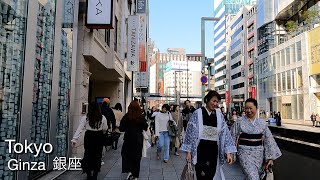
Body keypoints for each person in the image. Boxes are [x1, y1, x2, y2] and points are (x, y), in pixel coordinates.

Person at [181, 90, 237, 180]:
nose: (215, 104)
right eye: (213, 101)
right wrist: (188, 152)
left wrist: (228, 152)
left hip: (213, 150)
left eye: (217, 102)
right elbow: (190, 132)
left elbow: (225, 133)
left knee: (211, 173)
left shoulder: (219, 115)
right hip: (200, 149)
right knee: (201, 174)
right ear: (207, 100)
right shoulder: (197, 113)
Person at [231, 98, 282, 180]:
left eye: (250, 108)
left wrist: (270, 158)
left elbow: (268, 140)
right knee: (252, 176)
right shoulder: (239, 121)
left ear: (256, 108)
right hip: (244, 153)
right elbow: (232, 136)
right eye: (246, 108)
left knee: (254, 176)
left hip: (259, 154)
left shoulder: (262, 123)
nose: (248, 110)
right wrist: (230, 152)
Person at [71, 102, 108, 180]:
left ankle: (88, 173)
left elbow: (79, 129)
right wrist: (102, 132)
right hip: (99, 137)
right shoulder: (103, 118)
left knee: (88, 154)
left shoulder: (86, 118)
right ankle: (95, 174)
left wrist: (74, 139)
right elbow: (105, 128)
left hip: (89, 137)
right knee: (97, 156)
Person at [120, 101, 148, 180]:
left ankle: (130, 171)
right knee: (137, 157)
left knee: (127, 155)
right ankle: (135, 175)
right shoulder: (141, 117)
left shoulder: (126, 116)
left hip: (128, 139)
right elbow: (145, 126)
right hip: (138, 140)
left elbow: (121, 128)